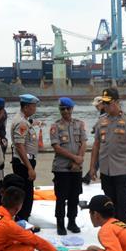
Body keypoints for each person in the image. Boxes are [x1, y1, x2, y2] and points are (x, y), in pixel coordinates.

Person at [89, 88, 126, 225]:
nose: (105, 106)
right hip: (106, 170)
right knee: (108, 203)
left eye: (108, 103)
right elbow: (96, 145)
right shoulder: (101, 121)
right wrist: (92, 167)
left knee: (123, 202)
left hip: (121, 170)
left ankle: (125, 228)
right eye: (104, 103)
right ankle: (111, 228)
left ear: (117, 102)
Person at [50, 97, 86, 235]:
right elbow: (56, 147)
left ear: (72, 109)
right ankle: (60, 224)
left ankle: (72, 222)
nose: (65, 111)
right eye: (62, 109)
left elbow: (83, 143)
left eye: (68, 108)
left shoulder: (80, 124)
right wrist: (75, 158)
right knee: (61, 197)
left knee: (74, 196)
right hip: (61, 168)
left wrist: (79, 160)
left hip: (76, 168)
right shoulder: (55, 126)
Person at [10, 94, 40, 221]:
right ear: (26, 107)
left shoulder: (23, 119)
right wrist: (29, 168)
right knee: (26, 194)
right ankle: (23, 220)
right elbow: (19, 145)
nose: (35, 109)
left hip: (24, 161)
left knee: (25, 192)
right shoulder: (22, 122)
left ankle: (23, 218)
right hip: (24, 163)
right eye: (34, 106)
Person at [82, 96, 107, 184]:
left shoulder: (105, 113)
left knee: (100, 158)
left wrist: (96, 128)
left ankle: (88, 176)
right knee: (100, 159)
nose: (96, 107)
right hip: (102, 139)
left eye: (97, 105)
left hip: (104, 140)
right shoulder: (103, 112)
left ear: (102, 104)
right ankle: (88, 176)